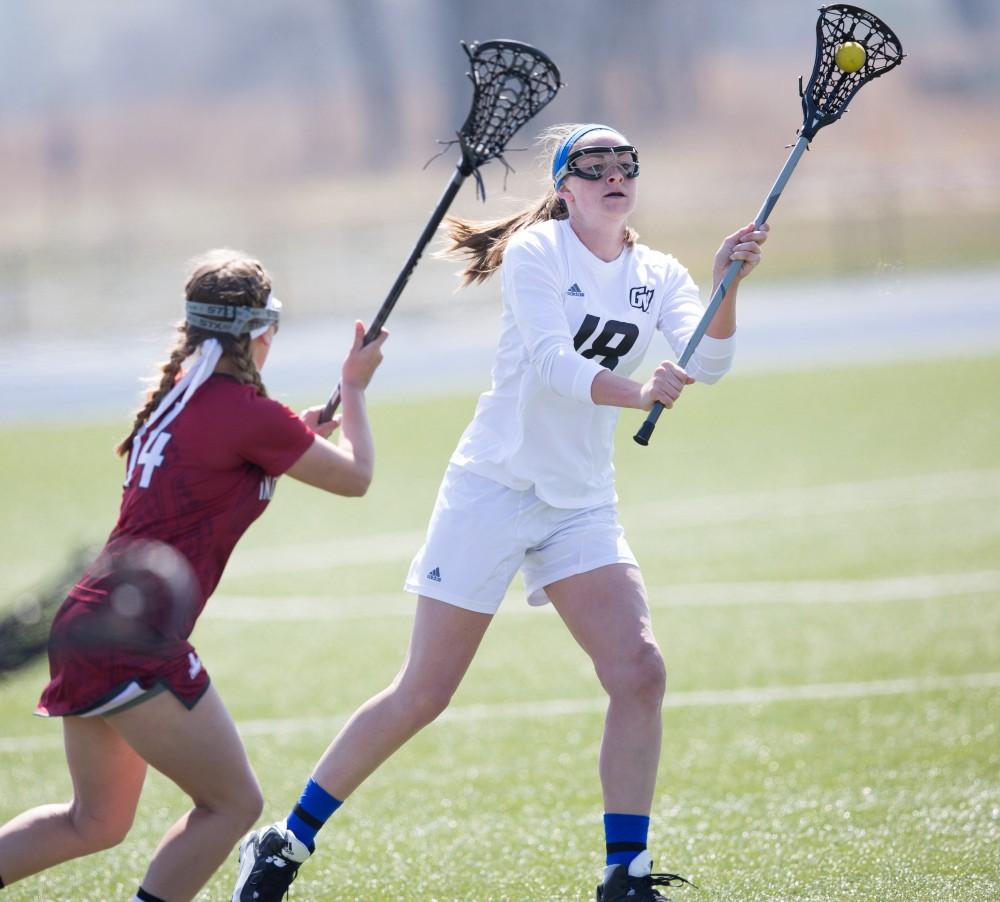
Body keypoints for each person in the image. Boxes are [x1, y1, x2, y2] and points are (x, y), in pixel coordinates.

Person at [233, 124, 768, 902]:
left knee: (640, 672)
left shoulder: (657, 273)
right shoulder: (538, 255)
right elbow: (554, 366)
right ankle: (284, 842)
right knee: (424, 693)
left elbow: (710, 362)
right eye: (594, 165)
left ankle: (626, 872)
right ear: (565, 186)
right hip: (493, 489)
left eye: (626, 165)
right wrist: (637, 390)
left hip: (580, 499)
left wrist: (728, 286)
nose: (613, 175)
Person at [0, 249, 388, 902]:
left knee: (92, 821)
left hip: (86, 623)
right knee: (232, 804)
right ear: (262, 331)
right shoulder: (244, 413)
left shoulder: (178, 398)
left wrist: (292, 435)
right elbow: (356, 478)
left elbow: (220, 463)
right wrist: (353, 388)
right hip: (135, 636)